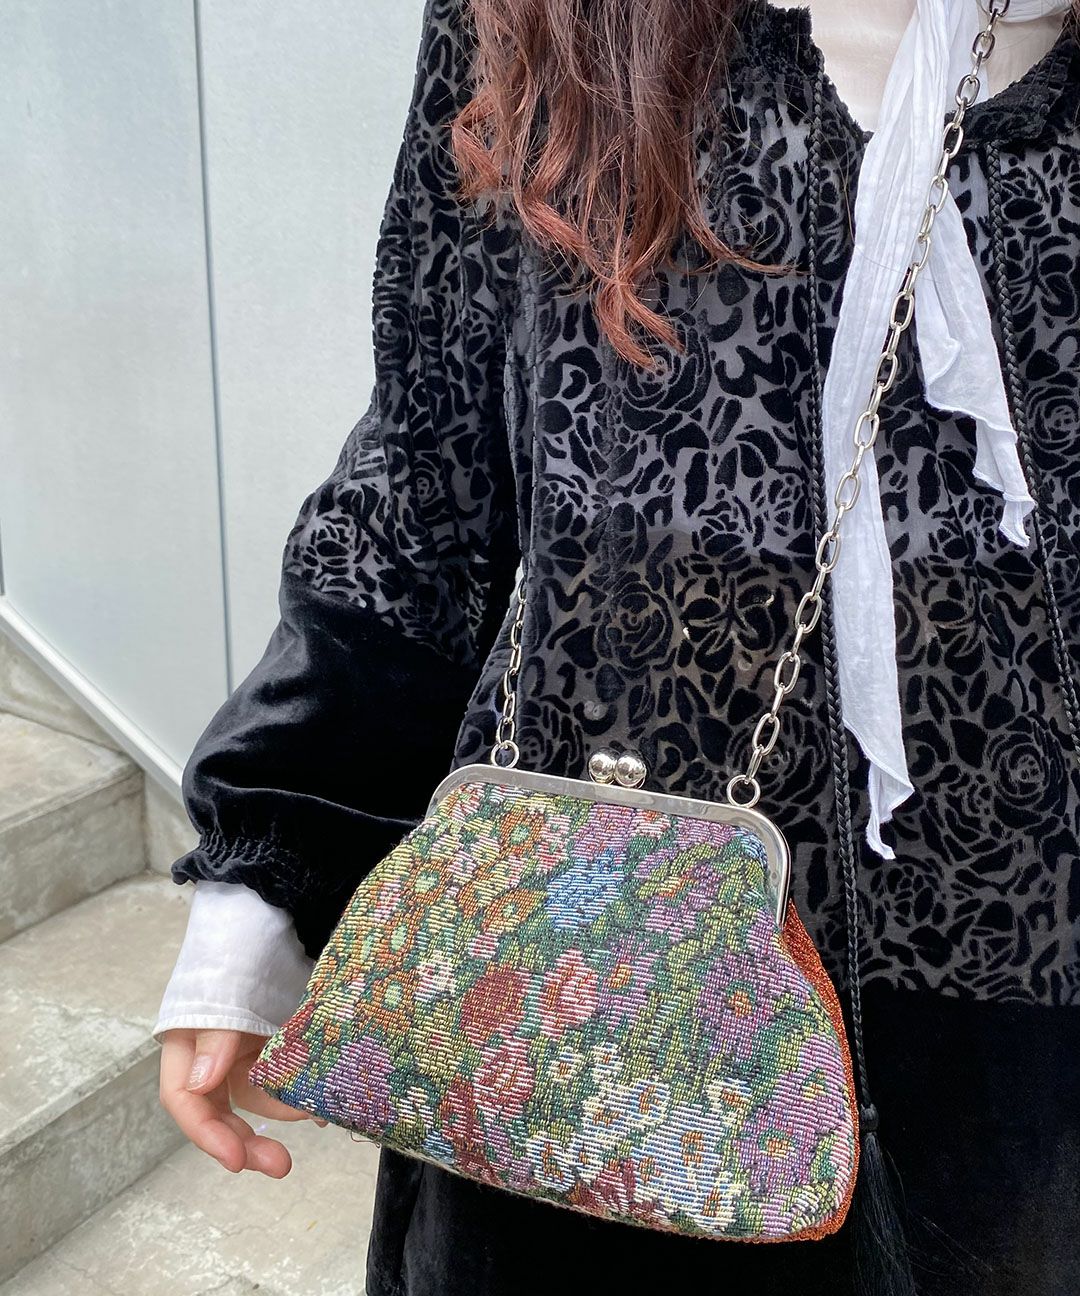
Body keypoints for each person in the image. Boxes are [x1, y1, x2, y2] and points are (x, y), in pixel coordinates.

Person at [156, 1, 1080, 1293]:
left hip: (1025, 1005)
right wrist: (267, 883)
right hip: (583, 968)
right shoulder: (557, 22)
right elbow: (427, 475)